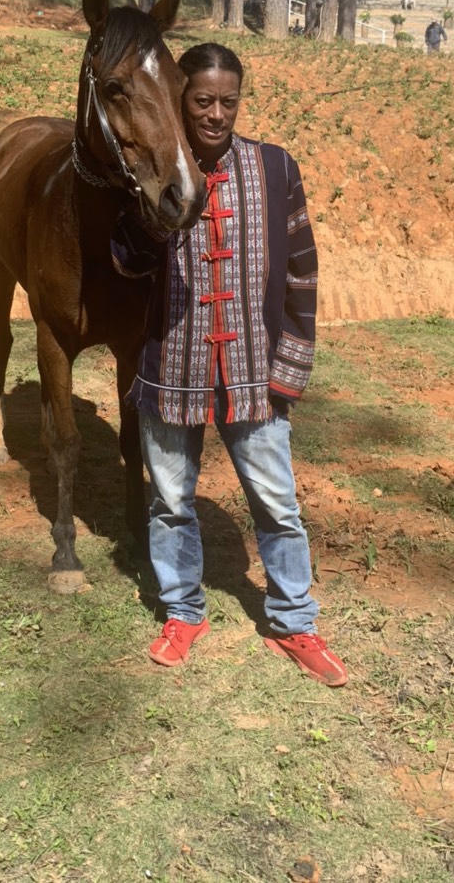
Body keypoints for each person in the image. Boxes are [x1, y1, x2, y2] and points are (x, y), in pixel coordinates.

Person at [112, 44, 347, 687]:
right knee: (169, 504)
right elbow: (124, 263)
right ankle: (182, 611)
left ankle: (294, 621)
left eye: (228, 101)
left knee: (278, 504)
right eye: (202, 101)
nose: (216, 114)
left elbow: (302, 270)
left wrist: (289, 366)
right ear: (180, 99)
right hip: (171, 370)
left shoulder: (274, 167)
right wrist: (155, 217)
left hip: (254, 373)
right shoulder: (150, 171)